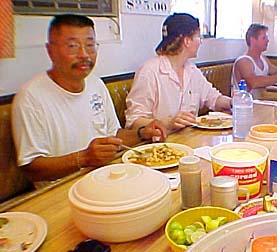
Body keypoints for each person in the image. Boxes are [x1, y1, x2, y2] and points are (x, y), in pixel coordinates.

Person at [12, 14, 167, 184]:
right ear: (51, 51)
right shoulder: (31, 97)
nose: (84, 54)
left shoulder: (96, 84)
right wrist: (83, 158)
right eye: (72, 46)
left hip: (107, 178)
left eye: (90, 45)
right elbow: (31, 168)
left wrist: (142, 133)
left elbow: (114, 135)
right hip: (60, 191)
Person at [125, 13, 231, 134]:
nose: (200, 42)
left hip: (189, 140)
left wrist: (235, 102)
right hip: (160, 146)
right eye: (198, 37)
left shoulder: (192, 70)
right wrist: (168, 122)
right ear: (187, 41)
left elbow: (213, 98)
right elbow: (133, 122)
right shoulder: (149, 71)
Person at [231, 23, 277, 98]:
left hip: (260, 102)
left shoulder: (264, 59)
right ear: (253, 40)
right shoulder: (243, 61)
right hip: (243, 105)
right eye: (264, 38)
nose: (268, 41)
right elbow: (254, 82)